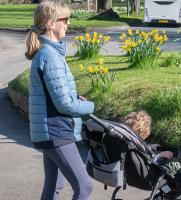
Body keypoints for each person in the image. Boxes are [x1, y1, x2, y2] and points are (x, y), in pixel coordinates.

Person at [26, 1, 95, 199]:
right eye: (64, 19)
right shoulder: (50, 56)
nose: (68, 23)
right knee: (84, 187)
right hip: (56, 132)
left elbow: (56, 95)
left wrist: (75, 99)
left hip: (48, 133)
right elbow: (63, 104)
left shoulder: (47, 53)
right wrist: (90, 106)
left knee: (54, 187)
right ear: (50, 23)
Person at [123, 111, 181, 196]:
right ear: (144, 130)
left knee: (173, 168)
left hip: (131, 178)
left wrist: (150, 147)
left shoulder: (128, 142)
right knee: (173, 164)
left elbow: (139, 156)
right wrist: (161, 155)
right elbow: (147, 161)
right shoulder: (136, 146)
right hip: (148, 178)